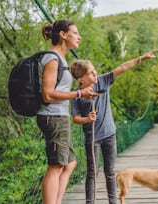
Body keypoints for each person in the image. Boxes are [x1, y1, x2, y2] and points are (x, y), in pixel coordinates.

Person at [70, 49, 158, 204]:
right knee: (92, 173)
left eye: (94, 70)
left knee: (110, 172)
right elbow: (75, 118)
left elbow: (122, 67)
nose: (95, 74)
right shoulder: (76, 95)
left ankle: (113, 202)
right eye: (91, 73)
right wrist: (87, 119)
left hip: (109, 135)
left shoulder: (103, 81)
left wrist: (142, 58)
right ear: (81, 80)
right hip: (92, 139)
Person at [36, 20, 98, 204]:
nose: (79, 36)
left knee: (70, 163)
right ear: (63, 35)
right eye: (75, 33)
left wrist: (82, 92)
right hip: (53, 116)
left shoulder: (61, 60)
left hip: (59, 116)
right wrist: (78, 93)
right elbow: (47, 94)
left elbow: (59, 91)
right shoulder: (53, 59)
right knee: (55, 166)